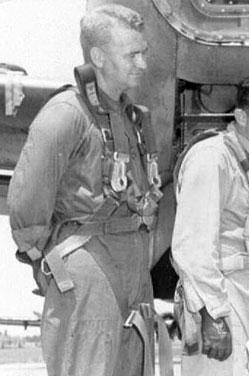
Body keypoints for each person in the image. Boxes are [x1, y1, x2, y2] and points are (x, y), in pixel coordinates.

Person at [8, 5, 169, 376]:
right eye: (133, 54)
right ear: (98, 56)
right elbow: (27, 201)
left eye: (143, 52)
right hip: (87, 267)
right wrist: (45, 260)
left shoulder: (134, 120)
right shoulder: (67, 113)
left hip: (132, 267)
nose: (142, 64)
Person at [172, 74, 249, 376]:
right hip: (225, 298)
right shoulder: (212, 158)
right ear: (240, 117)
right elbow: (192, 247)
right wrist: (213, 314)